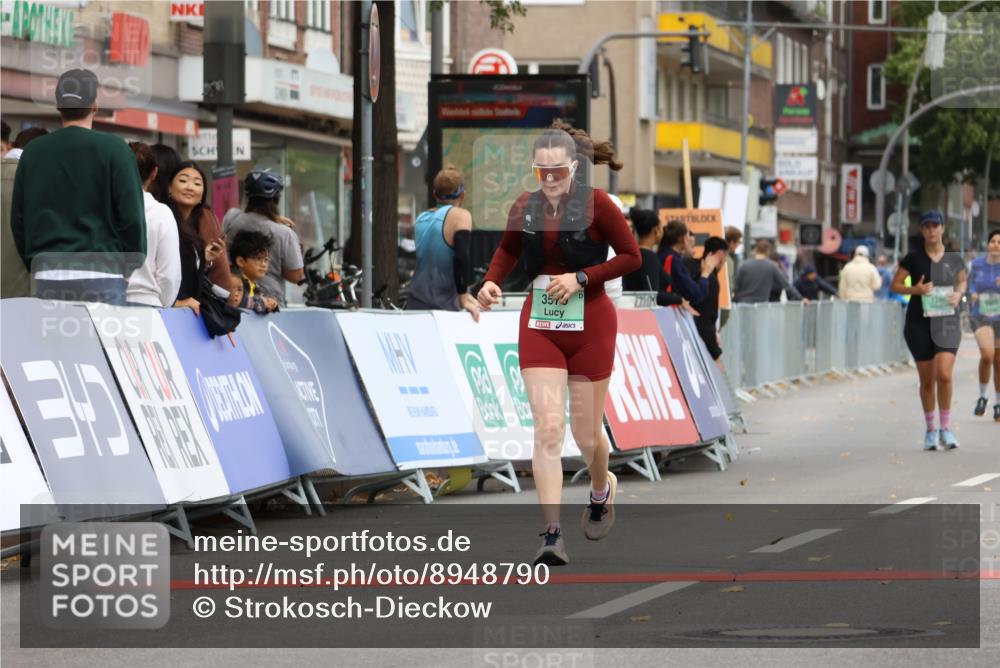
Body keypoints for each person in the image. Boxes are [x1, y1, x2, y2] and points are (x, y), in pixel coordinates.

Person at [476, 121, 641, 566]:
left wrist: (582, 277)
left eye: (558, 171)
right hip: (541, 324)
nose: (549, 179)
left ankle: (601, 488)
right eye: (540, 170)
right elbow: (508, 251)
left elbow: (631, 257)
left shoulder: (598, 205)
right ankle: (551, 535)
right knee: (548, 428)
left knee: (587, 434)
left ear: (574, 167)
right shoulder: (524, 207)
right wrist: (491, 282)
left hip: (591, 324)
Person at [11, 69, 145, 304]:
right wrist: (130, 262)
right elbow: (132, 216)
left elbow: (19, 219)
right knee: (102, 340)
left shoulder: (33, 152)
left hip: (49, 270)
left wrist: (36, 262)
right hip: (103, 269)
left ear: (57, 105)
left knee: (56, 340)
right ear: (95, 105)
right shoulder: (115, 149)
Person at [891, 210, 967, 450]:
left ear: (943, 228)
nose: (931, 230)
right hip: (919, 324)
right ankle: (931, 430)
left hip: (947, 323)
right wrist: (917, 290)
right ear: (922, 230)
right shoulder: (913, 259)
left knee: (944, 374)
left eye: (935, 226)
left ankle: (946, 428)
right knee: (927, 381)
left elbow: (963, 281)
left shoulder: (954, 258)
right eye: (927, 226)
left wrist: (959, 294)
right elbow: (895, 285)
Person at [405, 165, 479, 319]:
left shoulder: (420, 219)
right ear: (462, 195)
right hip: (444, 310)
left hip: (415, 306)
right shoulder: (461, 216)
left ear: (434, 194)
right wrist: (463, 296)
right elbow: (461, 258)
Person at [222, 169, 304, 306]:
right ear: (276, 198)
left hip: (235, 299)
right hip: (270, 302)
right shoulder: (284, 233)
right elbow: (296, 276)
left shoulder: (232, 218)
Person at [168, 161, 229, 313]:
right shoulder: (163, 219)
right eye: (183, 181)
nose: (189, 187)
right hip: (167, 311)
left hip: (187, 312)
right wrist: (176, 302)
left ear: (202, 194)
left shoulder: (196, 228)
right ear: (169, 187)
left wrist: (204, 258)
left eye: (197, 183)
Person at [126, 142, 181, 307]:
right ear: (154, 173)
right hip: (146, 304)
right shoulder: (161, 213)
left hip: (102, 305)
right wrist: (161, 303)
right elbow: (169, 275)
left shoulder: (100, 209)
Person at [622, 208, 683, 307]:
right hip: (645, 316)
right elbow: (653, 294)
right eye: (661, 227)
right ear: (656, 230)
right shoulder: (648, 257)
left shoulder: (633, 255)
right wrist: (679, 300)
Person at [969, 229, 1000, 421]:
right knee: (988, 355)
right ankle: (982, 397)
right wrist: (972, 293)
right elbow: (970, 283)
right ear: (988, 244)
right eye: (993, 241)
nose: (996, 244)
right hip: (981, 315)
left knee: (999, 362)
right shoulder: (977, 264)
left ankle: (998, 403)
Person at [685, 236, 729, 363]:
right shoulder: (711, 280)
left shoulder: (686, 265)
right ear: (720, 255)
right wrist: (715, 353)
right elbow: (707, 320)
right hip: (699, 345)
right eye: (725, 259)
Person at [658, 219, 723, 304]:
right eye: (689, 235)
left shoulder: (660, 255)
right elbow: (695, 294)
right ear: (683, 239)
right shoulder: (674, 260)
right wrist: (705, 273)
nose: (691, 239)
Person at [734, 239, 804, 303]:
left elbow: (736, 287)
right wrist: (801, 299)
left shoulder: (743, 265)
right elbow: (786, 285)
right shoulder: (771, 266)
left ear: (756, 250)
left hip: (742, 306)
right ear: (768, 251)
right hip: (761, 307)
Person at [230, 229, 279, 313]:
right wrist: (262, 303)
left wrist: (270, 303)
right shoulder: (233, 281)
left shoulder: (256, 286)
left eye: (266, 260)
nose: (263, 264)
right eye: (258, 259)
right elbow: (237, 302)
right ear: (241, 261)